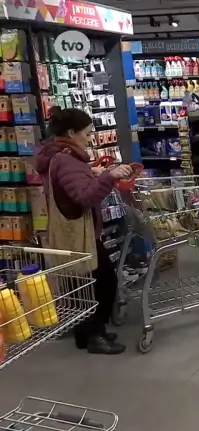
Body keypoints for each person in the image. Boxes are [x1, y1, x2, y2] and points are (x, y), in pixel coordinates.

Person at [34, 107, 132, 354]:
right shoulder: (67, 159)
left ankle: (85, 334)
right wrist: (109, 177)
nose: (90, 138)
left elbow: (71, 185)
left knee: (80, 285)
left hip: (68, 231)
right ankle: (95, 334)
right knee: (103, 283)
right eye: (87, 133)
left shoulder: (57, 154)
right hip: (79, 232)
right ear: (71, 132)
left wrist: (91, 172)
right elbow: (84, 196)